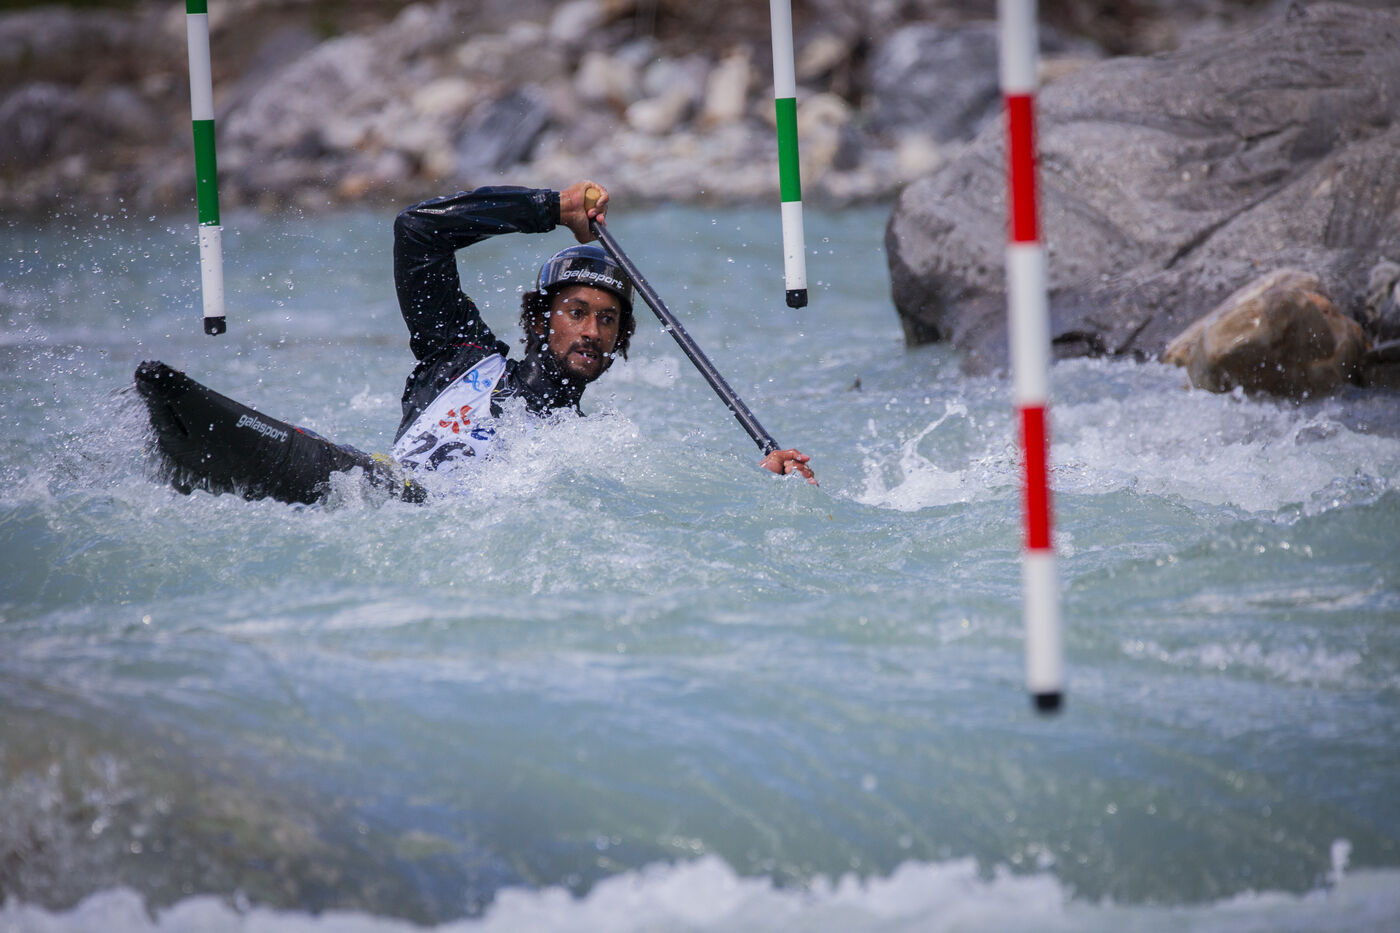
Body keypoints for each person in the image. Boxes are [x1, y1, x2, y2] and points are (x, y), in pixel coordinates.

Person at [390, 180, 817, 483]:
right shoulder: (459, 357)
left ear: (620, 341)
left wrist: (764, 482)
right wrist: (552, 208)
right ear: (539, 321)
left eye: (608, 319)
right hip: (382, 493)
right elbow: (418, 230)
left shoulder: (592, 453)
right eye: (577, 312)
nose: (593, 331)